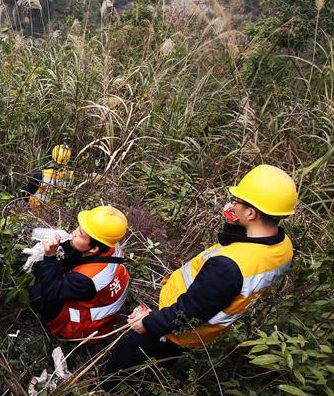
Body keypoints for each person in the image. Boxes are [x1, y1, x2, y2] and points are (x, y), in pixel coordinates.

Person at [104, 165, 297, 375]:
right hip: (201, 333)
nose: (232, 204)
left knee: (127, 360)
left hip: (174, 329)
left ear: (251, 213)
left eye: (238, 202)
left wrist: (149, 324)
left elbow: (189, 311)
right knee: (160, 364)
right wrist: (235, 225)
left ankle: (109, 392)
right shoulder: (283, 246)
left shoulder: (227, 266)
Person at [27, 206, 130, 341]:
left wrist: (50, 258)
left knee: (39, 292)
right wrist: (65, 244)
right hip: (100, 310)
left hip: (84, 329)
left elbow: (52, 292)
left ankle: (59, 333)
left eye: (80, 233)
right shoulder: (108, 243)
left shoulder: (87, 280)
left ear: (94, 249)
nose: (74, 232)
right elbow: (78, 250)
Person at [24, 144, 75, 209]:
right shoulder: (71, 175)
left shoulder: (40, 174)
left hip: (36, 211)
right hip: (57, 212)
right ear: (68, 159)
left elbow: (27, 193)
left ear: (53, 156)